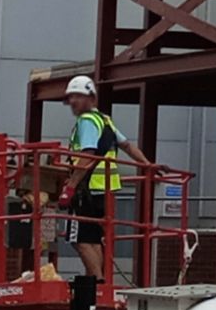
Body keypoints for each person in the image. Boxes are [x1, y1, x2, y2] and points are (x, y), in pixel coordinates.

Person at [59, 75, 152, 280]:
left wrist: (70, 187)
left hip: (88, 189)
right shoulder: (105, 120)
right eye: (71, 97)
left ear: (91, 98)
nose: (73, 101)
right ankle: (100, 282)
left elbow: (88, 154)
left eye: (78, 96)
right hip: (106, 191)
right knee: (93, 237)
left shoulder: (87, 121)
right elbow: (127, 145)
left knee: (79, 239)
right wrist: (147, 165)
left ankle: (96, 282)